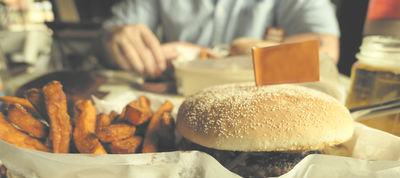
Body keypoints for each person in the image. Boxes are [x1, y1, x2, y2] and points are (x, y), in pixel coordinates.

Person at [99, 0, 340, 77]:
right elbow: (104, 39)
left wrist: (207, 58)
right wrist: (115, 40)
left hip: (262, 106)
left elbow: (323, 55)